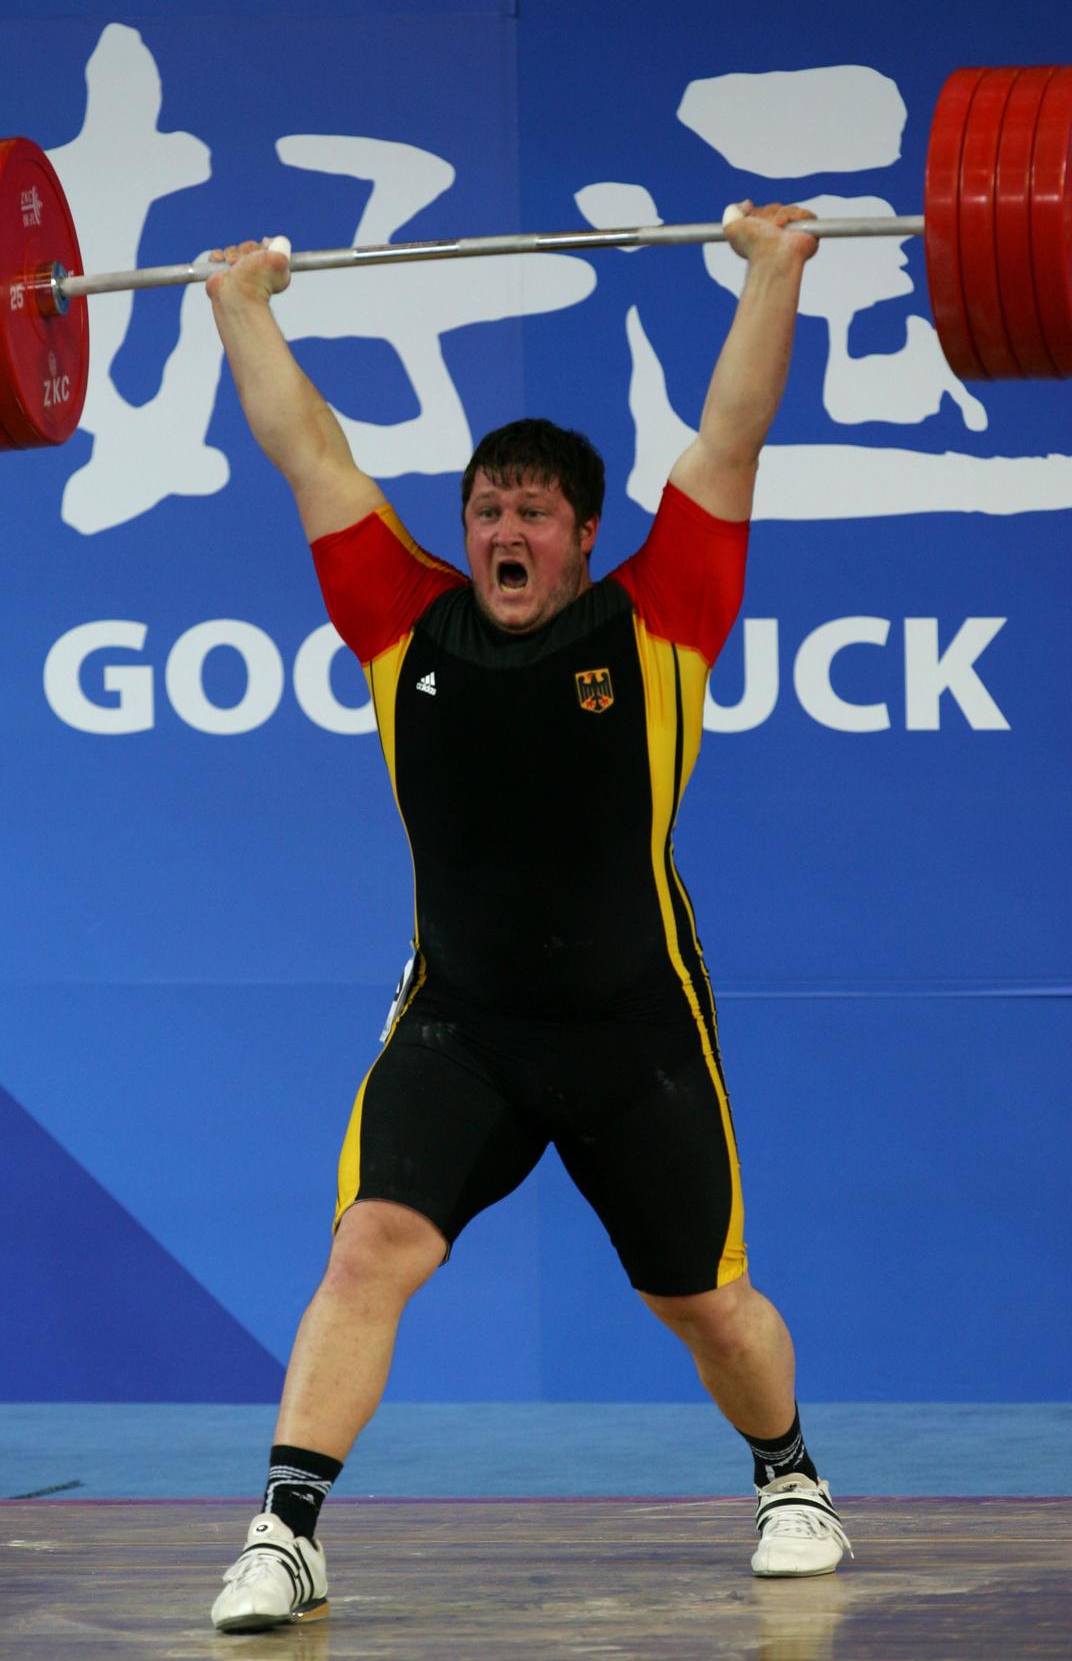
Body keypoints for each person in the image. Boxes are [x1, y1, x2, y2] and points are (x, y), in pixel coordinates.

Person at [204, 202, 851, 1633]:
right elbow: (310, 452)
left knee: (707, 1307)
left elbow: (728, 442)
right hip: (466, 1024)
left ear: (581, 537)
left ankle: (790, 1477)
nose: (502, 530)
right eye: (485, 510)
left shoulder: (665, 616)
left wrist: (773, 274)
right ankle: (288, 1527)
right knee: (370, 1245)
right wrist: (243, 305)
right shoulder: (398, 621)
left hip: (634, 1031)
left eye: (530, 514)